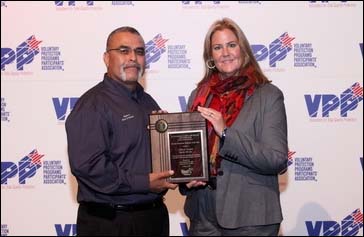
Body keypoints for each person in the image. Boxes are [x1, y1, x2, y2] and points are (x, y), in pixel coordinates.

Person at [180, 18, 288, 236]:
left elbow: (276, 159)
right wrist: (185, 178)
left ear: (244, 49)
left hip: (250, 218)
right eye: (217, 48)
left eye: (231, 45)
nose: (225, 53)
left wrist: (226, 133)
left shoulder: (268, 96)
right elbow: (190, 152)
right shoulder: (199, 95)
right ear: (210, 57)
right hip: (202, 216)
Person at [65, 26, 177, 236]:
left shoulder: (147, 101)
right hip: (112, 222)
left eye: (140, 52)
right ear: (107, 58)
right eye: (124, 51)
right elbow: (89, 167)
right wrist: (144, 182)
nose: (133, 57)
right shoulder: (93, 105)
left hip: (152, 218)